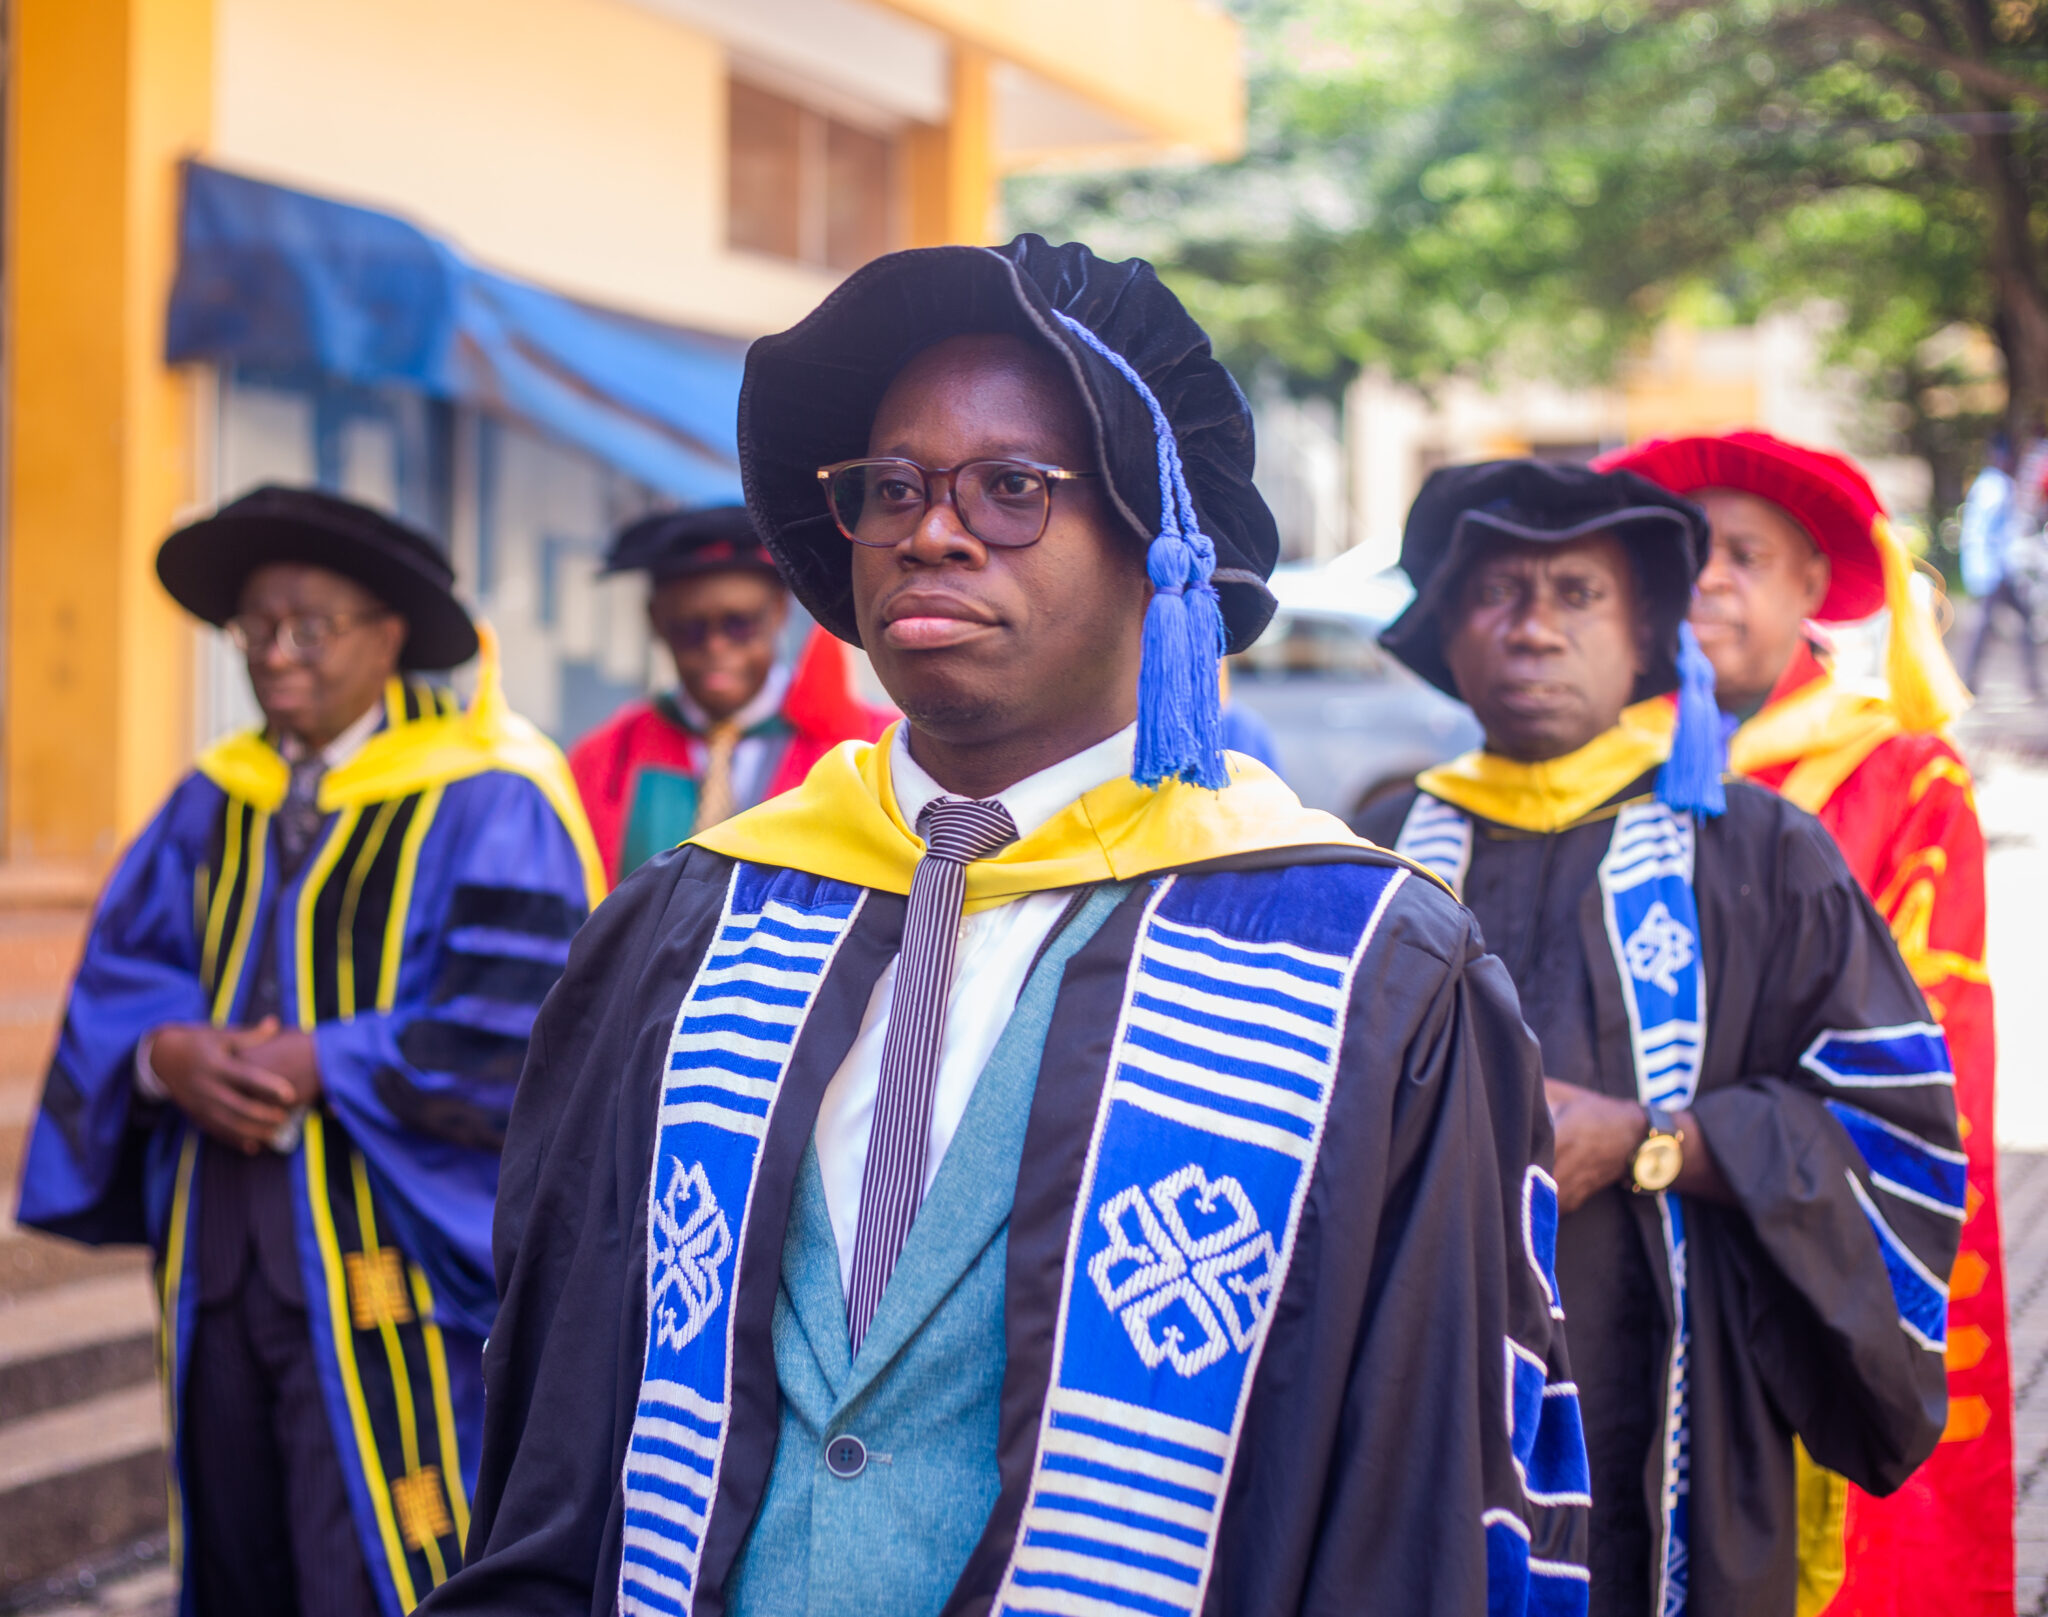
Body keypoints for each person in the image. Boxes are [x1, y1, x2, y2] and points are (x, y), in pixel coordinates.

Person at [423, 237, 1588, 1617]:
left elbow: (1418, 1497)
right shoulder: (692, 924)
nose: (931, 532)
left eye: (1013, 488)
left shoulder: (1362, 970)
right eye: (891, 489)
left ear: (1158, 546)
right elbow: (560, 1433)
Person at [1359, 460, 1962, 1617]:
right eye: (1496, 592)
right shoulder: (1376, 851)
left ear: (1646, 635)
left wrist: (1658, 1141)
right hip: (1423, 1395)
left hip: (1687, 1402)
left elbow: (1895, 1128)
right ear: (1446, 628)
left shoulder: (1759, 852)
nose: (1534, 628)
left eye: (1577, 594)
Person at [14, 486, 605, 1617]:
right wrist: (165, 1055)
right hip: (217, 1256)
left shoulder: (489, 794)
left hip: (390, 1259)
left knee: (372, 1555)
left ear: (388, 636)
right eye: (255, 629)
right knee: (236, 1550)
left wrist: (327, 1062)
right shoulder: (212, 796)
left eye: (309, 628)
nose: (276, 655)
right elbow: (127, 970)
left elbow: (522, 1019)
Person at [1600, 430, 2009, 1616]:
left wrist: (1705, 1136)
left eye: (1745, 555)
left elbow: (1921, 1049)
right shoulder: (1583, 766)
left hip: (1803, 1225)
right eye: (1685, 552)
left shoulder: (1897, 778)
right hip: (1618, 1229)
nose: (1708, 579)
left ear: (1808, 587)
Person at [569, 505, 889, 886]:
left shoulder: (870, 749)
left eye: (739, 625)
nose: (716, 647)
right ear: (656, 621)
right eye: (690, 628)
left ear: (778, 612)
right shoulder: (604, 759)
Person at [1958, 434, 2043, 699]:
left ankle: (2028, 682)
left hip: (1991, 568)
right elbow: (1988, 533)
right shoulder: (1997, 486)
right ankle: (1968, 681)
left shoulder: (1986, 483)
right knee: (1987, 627)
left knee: (1998, 626)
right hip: (1995, 570)